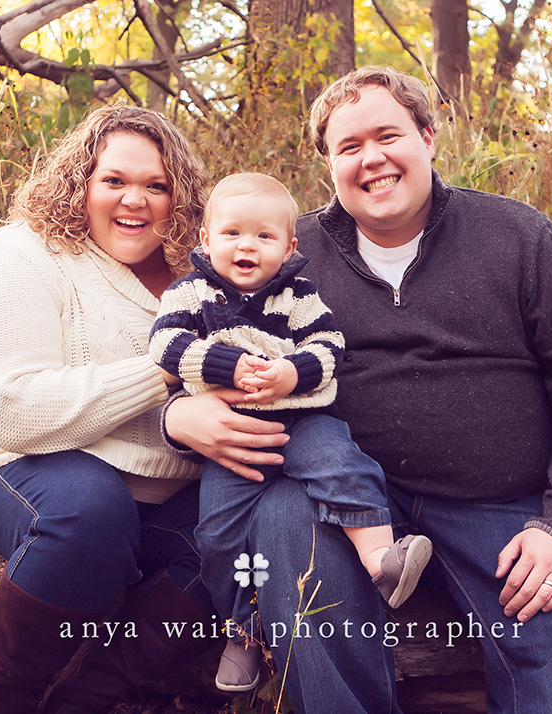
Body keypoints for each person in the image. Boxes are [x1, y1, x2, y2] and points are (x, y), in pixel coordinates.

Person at [164, 66, 552, 713]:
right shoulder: (285, 252)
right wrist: (179, 412)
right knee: (284, 525)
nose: (372, 159)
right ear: (328, 165)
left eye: (387, 135)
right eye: (349, 146)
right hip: (341, 498)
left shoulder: (517, 237)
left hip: (500, 508)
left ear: (427, 136)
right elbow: (195, 339)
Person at [0, 103, 217, 714]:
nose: (134, 201)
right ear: (80, 183)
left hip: (166, 491)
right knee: (90, 511)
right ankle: (3, 703)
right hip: (23, 466)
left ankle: (87, 698)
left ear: (181, 199)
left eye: (157, 186)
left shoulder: (202, 278)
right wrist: (169, 369)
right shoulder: (22, 255)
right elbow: (11, 412)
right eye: (114, 180)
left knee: (244, 541)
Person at [148, 172, 432, 692]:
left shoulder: (298, 295)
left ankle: (380, 559)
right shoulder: (191, 292)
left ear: (289, 246)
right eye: (231, 233)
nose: (246, 246)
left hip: (299, 419)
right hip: (230, 437)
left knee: (343, 465)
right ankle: (243, 631)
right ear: (206, 239)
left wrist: (289, 372)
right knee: (215, 534)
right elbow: (166, 345)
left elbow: (329, 346)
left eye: (264, 236)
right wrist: (224, 365)